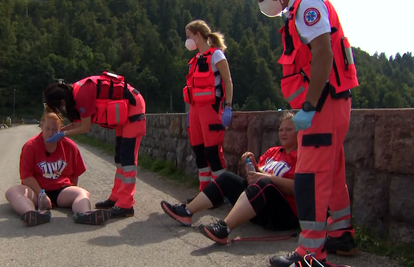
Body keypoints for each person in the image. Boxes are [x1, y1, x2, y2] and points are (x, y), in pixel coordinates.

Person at [257, 0, 358, 266]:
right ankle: (340, 234)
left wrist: (310, 105)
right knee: (333, 173)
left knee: (309, 178)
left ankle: (309, 255)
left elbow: (324, 54)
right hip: (331, 102)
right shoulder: (301, 7)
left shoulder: (306, 5)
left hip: (322, 104)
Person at [161, 111, 298, 244]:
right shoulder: (272, 152)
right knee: (227, 178)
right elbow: (256, 179)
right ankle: (187, 211)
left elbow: (297, 187)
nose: (283, 133)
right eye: (281, 130)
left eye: (288, 130)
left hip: (282, 215)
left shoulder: (301, 157)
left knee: (264, 183)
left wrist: (265, 177)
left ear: (299, 132)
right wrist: (254, 167)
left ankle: (224, 228)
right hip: (260, 208)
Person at [43, 72, 146, 218]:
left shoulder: (82, 94)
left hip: (133, 108)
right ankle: (116, 197)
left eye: (58, 106)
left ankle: (126, 204)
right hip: (125, 111)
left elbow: (85, 127)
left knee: (128, 159)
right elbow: (80, 122)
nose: (61, 110)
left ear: (62, 101)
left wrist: (63, 135)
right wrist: (62, 130)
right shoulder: (76, 91)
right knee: (120, 158)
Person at [5, 112, 110, 227]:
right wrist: (41, 194)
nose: (51, 133)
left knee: (82, 192)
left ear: (60, 129)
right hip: (36, 191)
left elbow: (75, 173)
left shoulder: (69, 146)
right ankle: (31, 214)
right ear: (42, 126)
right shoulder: (30, 146)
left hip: (60, 190)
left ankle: (85, 214)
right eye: (48, 129)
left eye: (54, 129)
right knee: (13, 192)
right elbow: (27, 177)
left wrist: (71, 193)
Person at [182, 20, 234, 203]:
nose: (187, 40)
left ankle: (219, 193)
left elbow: (227, 81)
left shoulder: (216, 55)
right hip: (195, 111)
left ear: (198, 35)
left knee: (212, 152)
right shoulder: (195, 60)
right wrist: (190, 112)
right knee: (199, 153)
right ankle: (204, 193)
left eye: (189, 36)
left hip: (211, 110)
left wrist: (228, 106)